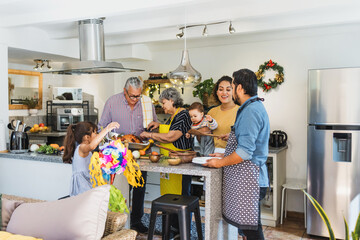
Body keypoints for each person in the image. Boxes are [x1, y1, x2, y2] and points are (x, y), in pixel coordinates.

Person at [204, 69, 270, 240]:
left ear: (239, 88)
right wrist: (231, 138)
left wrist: (219, 163)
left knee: (252, 231)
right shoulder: (252, 106)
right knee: (249, 229)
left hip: (250, 179)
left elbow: (245, 152)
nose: (230, 90)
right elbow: (246, 141)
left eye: (232, 86)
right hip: (249, 178)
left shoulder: (250, 111)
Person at [98, 77, 158, 234]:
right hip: (118, 154)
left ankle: (137, 221)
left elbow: (155, 125)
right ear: (125, 91)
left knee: (139, 186)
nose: (135, 99)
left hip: (140, 152)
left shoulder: (146, 103)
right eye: (132, 96)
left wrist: (154, 128)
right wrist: (115, 137)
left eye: (138, 96)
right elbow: (101, 127)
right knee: (121, 189)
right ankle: (118, 222)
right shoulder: (112, 102)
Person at [140, 87, 192, 237]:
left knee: (181, 199)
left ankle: (182, 233)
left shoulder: (183, 115)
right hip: (170, 164)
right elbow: (169, 129)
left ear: (172, 100)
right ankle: (172, 231)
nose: (162, 106)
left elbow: (171, 137)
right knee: (170, 199)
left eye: (164, 102)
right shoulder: (174, 115)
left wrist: (150, 134)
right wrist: (159, 126)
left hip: (179, 164)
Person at [63, 121, 120, 197]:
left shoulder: (87, 151)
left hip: (88, 187)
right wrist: (107, 129)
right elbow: (92, 146)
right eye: (95, 133)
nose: (97, 135)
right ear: (87, 137)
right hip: (82, 189)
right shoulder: (81, 148)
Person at [207, 76, 239, 153]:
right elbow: (206, 138)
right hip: (215, 154)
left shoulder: (241, 111)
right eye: (221, 89)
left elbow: (247, 138)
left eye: (228, 89)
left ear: (234, 92)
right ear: (217, 92)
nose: (224, 93)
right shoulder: (212, 112)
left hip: (235, 155)